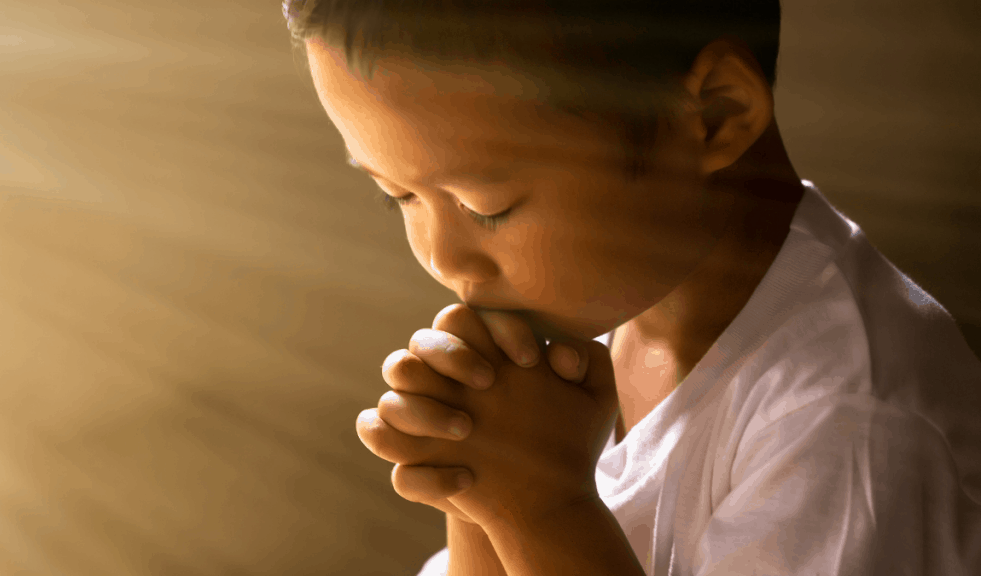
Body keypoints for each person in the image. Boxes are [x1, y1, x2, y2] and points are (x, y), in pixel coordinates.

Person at [282, 1, 981, 574]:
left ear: (713, 117)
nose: (441, 257)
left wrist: (540, 507)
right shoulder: (608, 305)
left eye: (486, 206)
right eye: (398, 196)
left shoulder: (849, 429)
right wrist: (476, 486)